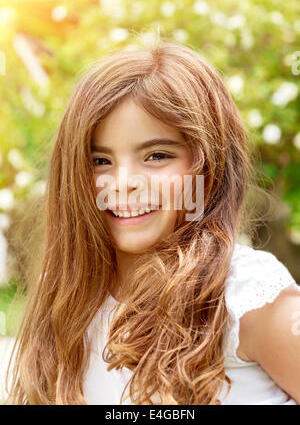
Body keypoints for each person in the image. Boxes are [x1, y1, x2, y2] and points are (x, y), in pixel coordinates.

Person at [5, 40, 300, 405]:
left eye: (157, 155)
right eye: (100, 161)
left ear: (208, 168)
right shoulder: (70, 292)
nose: (125, 181)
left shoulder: (246, 296)